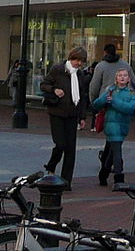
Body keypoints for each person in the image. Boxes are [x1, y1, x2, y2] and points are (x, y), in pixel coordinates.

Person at [41, 47, 91, 188]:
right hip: (57, 112)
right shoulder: (58, 69)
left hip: (72, 114)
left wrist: (82, 117)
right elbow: (44, 84)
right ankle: (51, 166)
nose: (79, 64)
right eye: (77, 60)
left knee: (71, 148)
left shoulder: (80, 75)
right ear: (71, 58)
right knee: (60, 144)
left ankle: (66, 181)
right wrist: (54, 90)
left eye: (81, 61)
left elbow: (81, 96)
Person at [92, 68, 135, 186]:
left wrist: (114, 102)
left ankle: (103, 174)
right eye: (120, 75)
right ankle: (119, 178)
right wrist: (105, 100)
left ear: (128, 78)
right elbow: (96, 104)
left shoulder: (131, 93)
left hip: (123, 126)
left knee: (112, 151)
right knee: (117, 151)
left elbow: (130, 108)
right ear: (116, 78)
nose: (122, 77)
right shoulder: (110, 91)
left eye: (125, 75)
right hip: (111, 125)